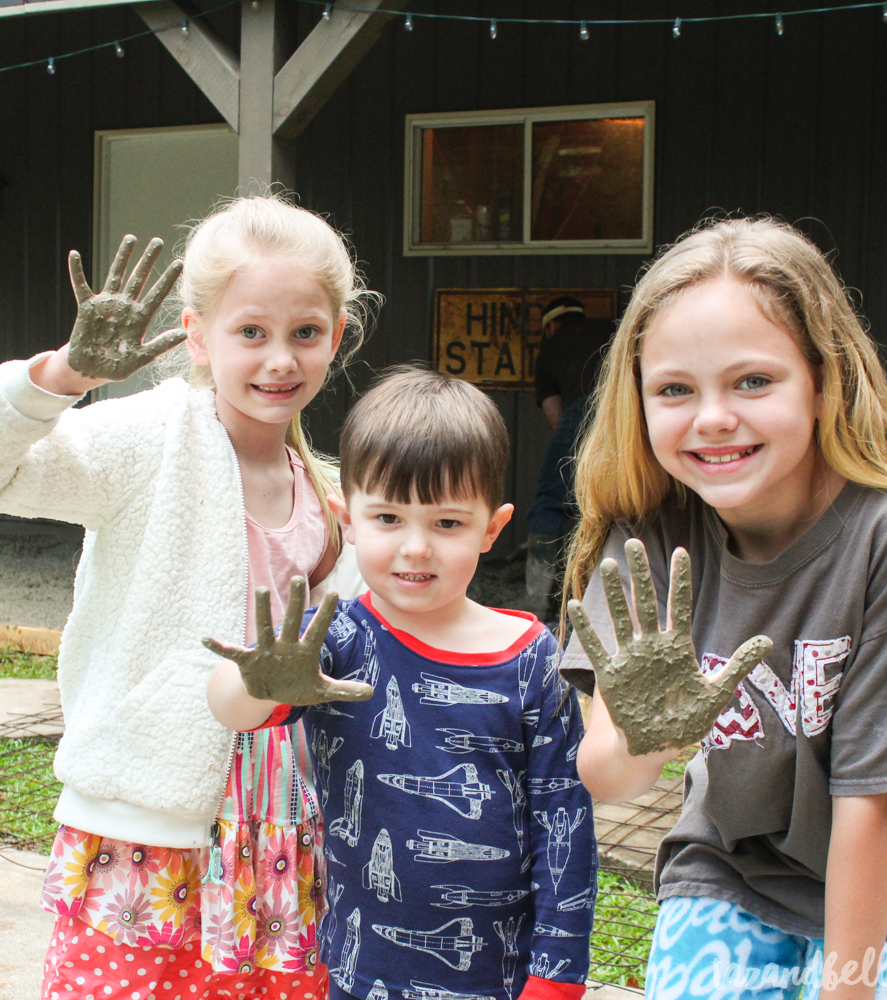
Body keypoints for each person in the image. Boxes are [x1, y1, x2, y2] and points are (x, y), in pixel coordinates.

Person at [559, 218, 887, 1000]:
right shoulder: (648, 538)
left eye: (752, 382)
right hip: (734, 855)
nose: (714, 417)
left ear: (824, 381)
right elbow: (607, 778)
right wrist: (642, 734)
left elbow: (870, 798)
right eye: (675, 390)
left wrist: (846, 990)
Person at [0, 194, 375, 1000]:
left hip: (284, 836)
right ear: (197, 335)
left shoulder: (330, 492)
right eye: (251, 332)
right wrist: (67, 374)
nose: (280, 359)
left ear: (336, 337)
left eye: (305, 333)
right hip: (146, 832)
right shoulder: (153, 437)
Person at [205, 368, 598, 1000]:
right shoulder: (332, 641)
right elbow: (232, 708)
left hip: (502, 980)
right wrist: (257, 681)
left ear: (491, 529)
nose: (416, 548)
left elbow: (564, 825)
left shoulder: (531, 660)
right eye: (388, 517)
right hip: (360, 974)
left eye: (447, 524)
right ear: (347, 518)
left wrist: (556, 976)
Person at [524, 297, 615, 619]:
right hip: (633, 407)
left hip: (585, 409)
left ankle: (537, 605)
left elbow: (555, 418)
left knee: (550, 502)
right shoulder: (611, 329)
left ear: (551, 326)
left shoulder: (551, 347)